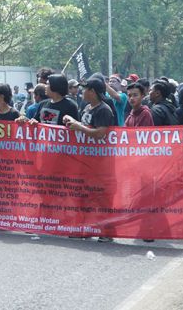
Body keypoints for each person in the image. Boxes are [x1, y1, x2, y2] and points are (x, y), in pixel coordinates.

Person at [64, 77, 115, 242]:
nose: (81, 91)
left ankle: (107, 231)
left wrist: (79, 127)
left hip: (100, 162)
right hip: (85, 160)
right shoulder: (87, 107)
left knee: (102, 198)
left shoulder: (104, 110)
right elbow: (85, 127)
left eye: (85, 89)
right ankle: (84, 228)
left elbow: (100, 132)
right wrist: (72, 122)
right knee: (83, 195)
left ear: (92, 91)